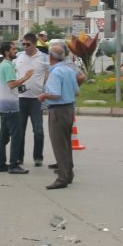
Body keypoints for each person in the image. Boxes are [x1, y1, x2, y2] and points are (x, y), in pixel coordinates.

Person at [38, 43, 80, 189]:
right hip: (69, 108)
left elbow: (55, 94)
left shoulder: (55, 72)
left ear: (50, 57)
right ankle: (69, 173)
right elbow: (77, 91)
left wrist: (43, 95)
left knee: (59, 145)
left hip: (58, 110)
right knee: (66, 143)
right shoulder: (68, 70)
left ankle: (62, 177)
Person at [0, 41, 33, 174]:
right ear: (6, 52)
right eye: (13, 49)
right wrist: (25, 78)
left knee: (3, 136)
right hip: (11, 107)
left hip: (3, 106)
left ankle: (0, 164)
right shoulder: (8, 66)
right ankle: (13, 164)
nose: (16, 51)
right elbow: (11, 84)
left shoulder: (2, 65)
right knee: (16, 136)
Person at [13, 32, 49, 167]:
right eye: (23, 44)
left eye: (28, 44)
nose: (25, 47)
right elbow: (13, 73)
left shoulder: (44, 58)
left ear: (34, 44)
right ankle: (19, 158)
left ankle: (38, 157)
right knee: (20, 130)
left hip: (36, 99)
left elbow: (49, 72)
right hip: (20, 99)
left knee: (38, 130)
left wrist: (42, 85)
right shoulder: (18, 57)